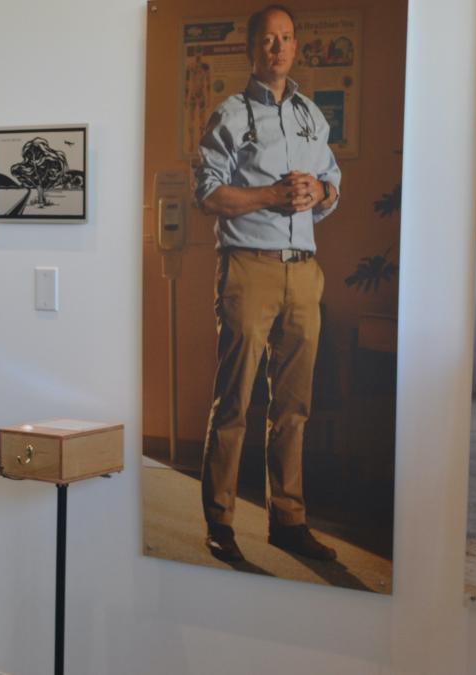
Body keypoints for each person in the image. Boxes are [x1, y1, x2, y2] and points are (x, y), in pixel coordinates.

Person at [193, 4, 342, 563]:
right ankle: (221, 521)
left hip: (304, 271)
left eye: (286, 39)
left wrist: (317, 195)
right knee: (233, 400)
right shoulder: (229, 116)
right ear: (252, 50)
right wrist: (270, 196)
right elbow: (209, 195)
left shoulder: (312, 116)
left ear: (296, 46)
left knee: (294, 405)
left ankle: (288, 519)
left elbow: (333, 185)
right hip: (248, 268)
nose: (278, 48)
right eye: (268, 40)